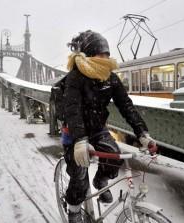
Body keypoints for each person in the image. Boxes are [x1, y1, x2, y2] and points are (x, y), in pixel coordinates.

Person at [62, 30, 156, 223]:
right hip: (74, 131)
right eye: (100, 54)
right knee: (79, 173)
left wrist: (142, 133)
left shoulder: (110, 77)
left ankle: (100, 180)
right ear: (89, 54)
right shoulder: (75, 77)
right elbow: (73, 110)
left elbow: (126, 105)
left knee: (114, 156)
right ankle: (73, 209)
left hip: (97, 128)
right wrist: (80, 140)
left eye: (107, 54)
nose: (105, 58)